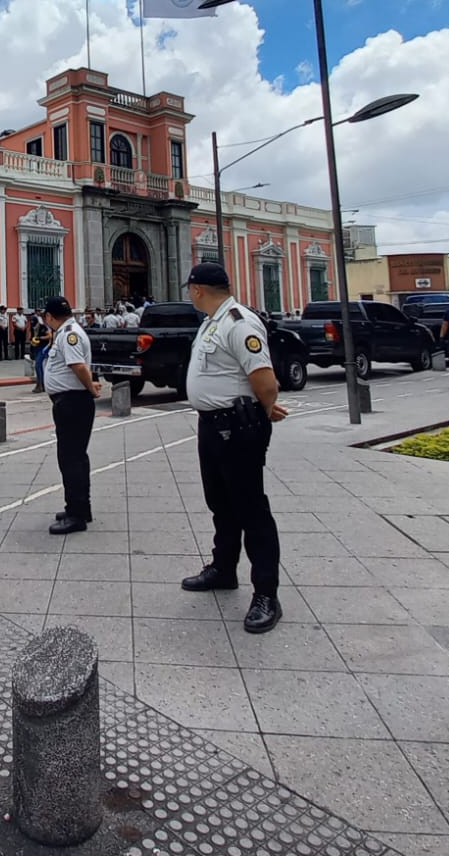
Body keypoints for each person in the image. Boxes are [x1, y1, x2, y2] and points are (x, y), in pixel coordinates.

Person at [179, 262, 288, 635]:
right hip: (212, 425)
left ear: (197, 289)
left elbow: (265, 379)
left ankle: (266, 595)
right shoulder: (213, 321)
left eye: (189, 289)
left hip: (238, 428)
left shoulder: (239, 322)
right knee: (220, 504)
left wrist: (264, 407)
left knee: (250, 509)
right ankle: (223, 568)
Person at [41, 296, 101, 534]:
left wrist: (90, 387)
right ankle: (79, 507)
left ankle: (76, 514)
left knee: (71, 459)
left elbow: (78, 366)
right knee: (74, 457)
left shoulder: (68, 334)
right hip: (70, 402)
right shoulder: (68, 331)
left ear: (49, 317)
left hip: (73, 403)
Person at [29, 313, 51, 392]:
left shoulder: (43, 327)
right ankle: (42, 384)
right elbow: (30, 337)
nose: (33, 326)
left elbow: (49, 336)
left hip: (43, 347)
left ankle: (39, 385)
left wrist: (40, 338)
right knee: (39, 366)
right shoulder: (32, 328)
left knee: (38, 365)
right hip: (36, 348)